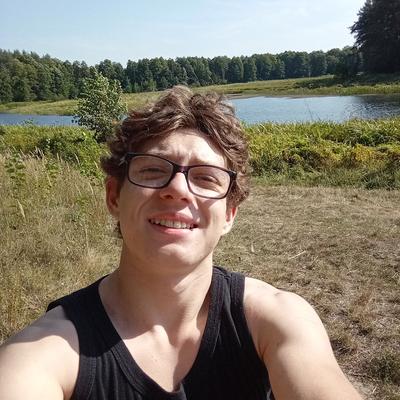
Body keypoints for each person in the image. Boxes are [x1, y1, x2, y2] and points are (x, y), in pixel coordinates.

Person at [0, 86, 362, 400]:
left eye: (206, 178)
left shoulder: (276, 321)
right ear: (114, 197)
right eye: (153, 169)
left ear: (229, 214)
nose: (177, 189)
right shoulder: (45, 352)